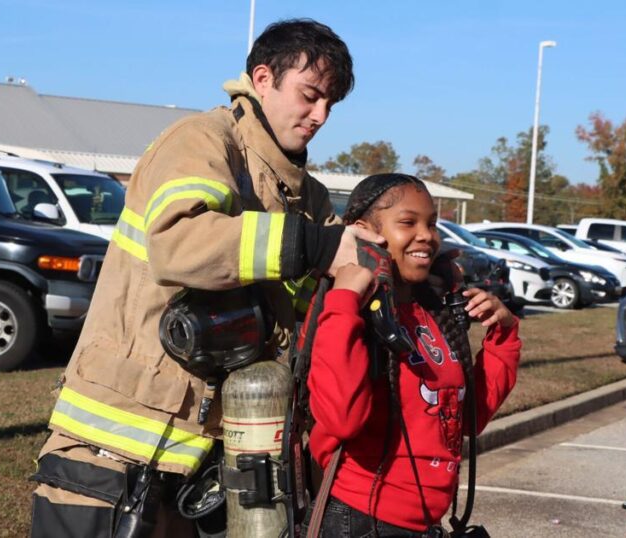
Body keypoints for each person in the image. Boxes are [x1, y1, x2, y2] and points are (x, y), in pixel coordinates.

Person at [29, 19, 383, 537]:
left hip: (206, 459)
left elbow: (322, 286)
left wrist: (407, 264)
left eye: (331, 104)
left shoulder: (302, 192)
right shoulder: (202, 143)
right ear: (263, 78)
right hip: (112, 448)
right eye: (310, 96)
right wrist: (312, 245)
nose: (320, 116)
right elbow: (180, 245)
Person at [307, 174, 522, 536]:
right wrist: (344, 301)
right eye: (408, 222)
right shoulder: (346, 313)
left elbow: (469, 416)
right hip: (362, 522)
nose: (427, 235)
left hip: (423, 522)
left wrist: (503, 336)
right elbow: (341, 419)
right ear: (363, 231)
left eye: (432, 224)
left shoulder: (431, 314)